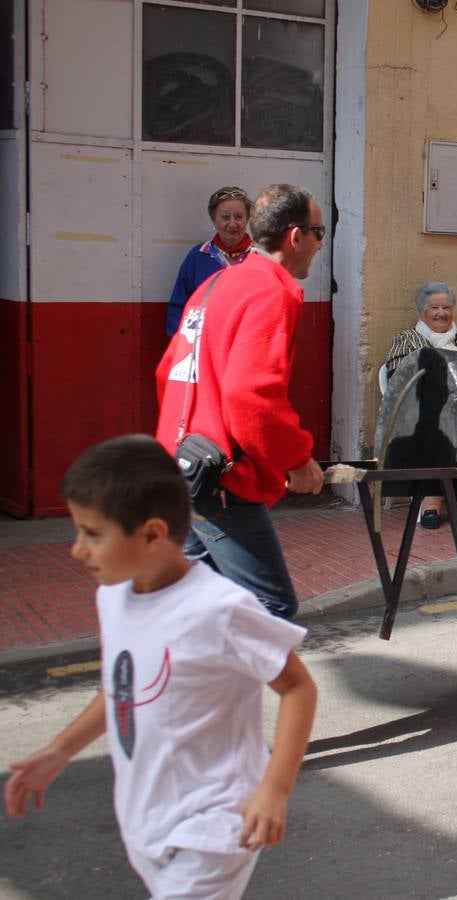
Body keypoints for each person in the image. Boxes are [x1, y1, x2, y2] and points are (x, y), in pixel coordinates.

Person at [4, 435, 317, 899]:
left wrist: (274, 789)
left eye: (92, 534)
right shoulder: (114, 595)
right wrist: (61, 749)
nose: (77, 550)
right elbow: (122, 686)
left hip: (213, 825)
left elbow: (298, 689)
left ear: (151, 534)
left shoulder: (220, 608)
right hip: (146, 818)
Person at [156, 183, 326, 620]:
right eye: (319, 232)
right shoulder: (271, 291)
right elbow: (251, 394)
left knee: (201, 604)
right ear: (295, 237)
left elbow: (169, 372)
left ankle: (176, 685)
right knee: (268, 606)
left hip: (182, 467)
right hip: (221, 478)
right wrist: (296, 459)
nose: (320, 244)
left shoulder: (215, 283)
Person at [381, 281, 457, 529]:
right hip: (420, 411)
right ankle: (431, 503)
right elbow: (398, 378)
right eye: (435, 307)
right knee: (440, 424)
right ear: (421, 312)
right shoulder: (407, 339)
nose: (441, 313)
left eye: (446, 307)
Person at [166, 186, 254, 336]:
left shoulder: (261, 258)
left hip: (247, 347)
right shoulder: (198, 256)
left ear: (247, 220)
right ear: (214, 220)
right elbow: (178, 307)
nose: (232, 224)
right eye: (225, 217)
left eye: (239, 217)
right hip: (205, 348)